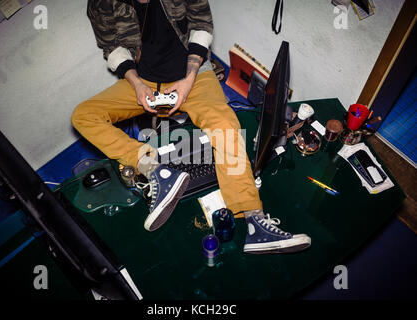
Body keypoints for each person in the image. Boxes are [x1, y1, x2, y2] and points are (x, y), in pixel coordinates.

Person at [72, 0, 311, 254]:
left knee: (226, 125)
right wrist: (137, 84)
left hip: (193, 75)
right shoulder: (100, 3)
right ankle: (156, 171)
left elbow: (202, 24)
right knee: (84, 115)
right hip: (142, 80)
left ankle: (254, 222)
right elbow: (112, 47)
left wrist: (188, 81)